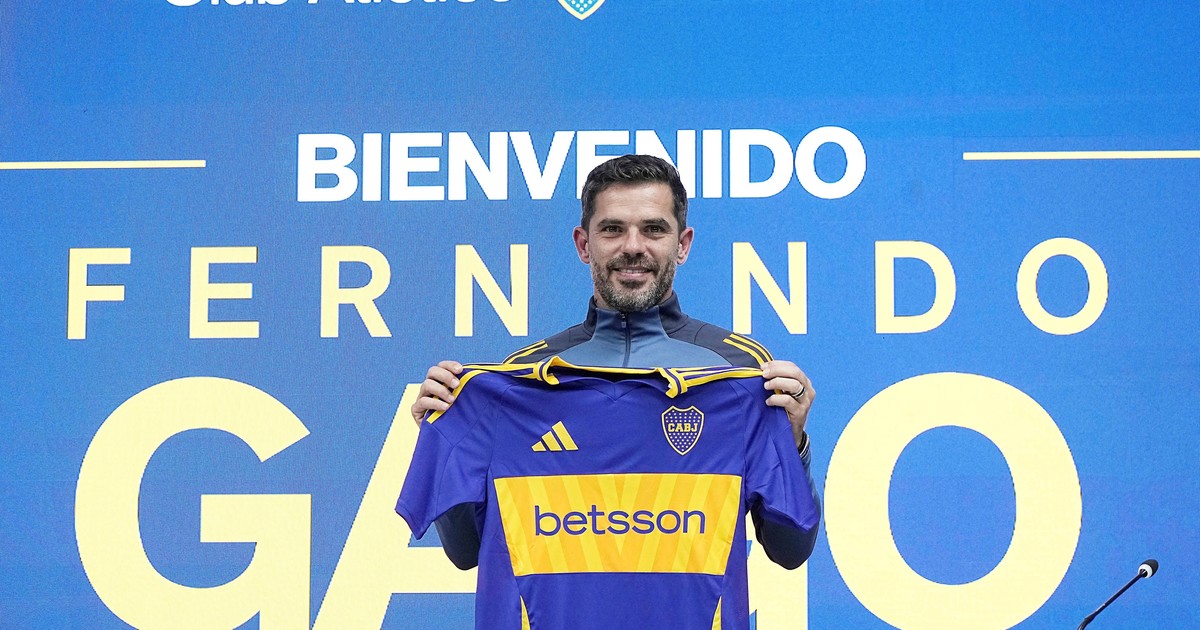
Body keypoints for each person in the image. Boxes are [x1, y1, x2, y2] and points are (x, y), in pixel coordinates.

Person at [410, 154, 820, 571]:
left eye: (654, 229)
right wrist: (445, 438)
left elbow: (790, 550)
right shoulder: (523, 379)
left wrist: (794, 444)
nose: (633, 247)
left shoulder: (740, 370)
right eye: (612, 229)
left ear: (682, 244)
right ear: (584, 245)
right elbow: (466, 552)